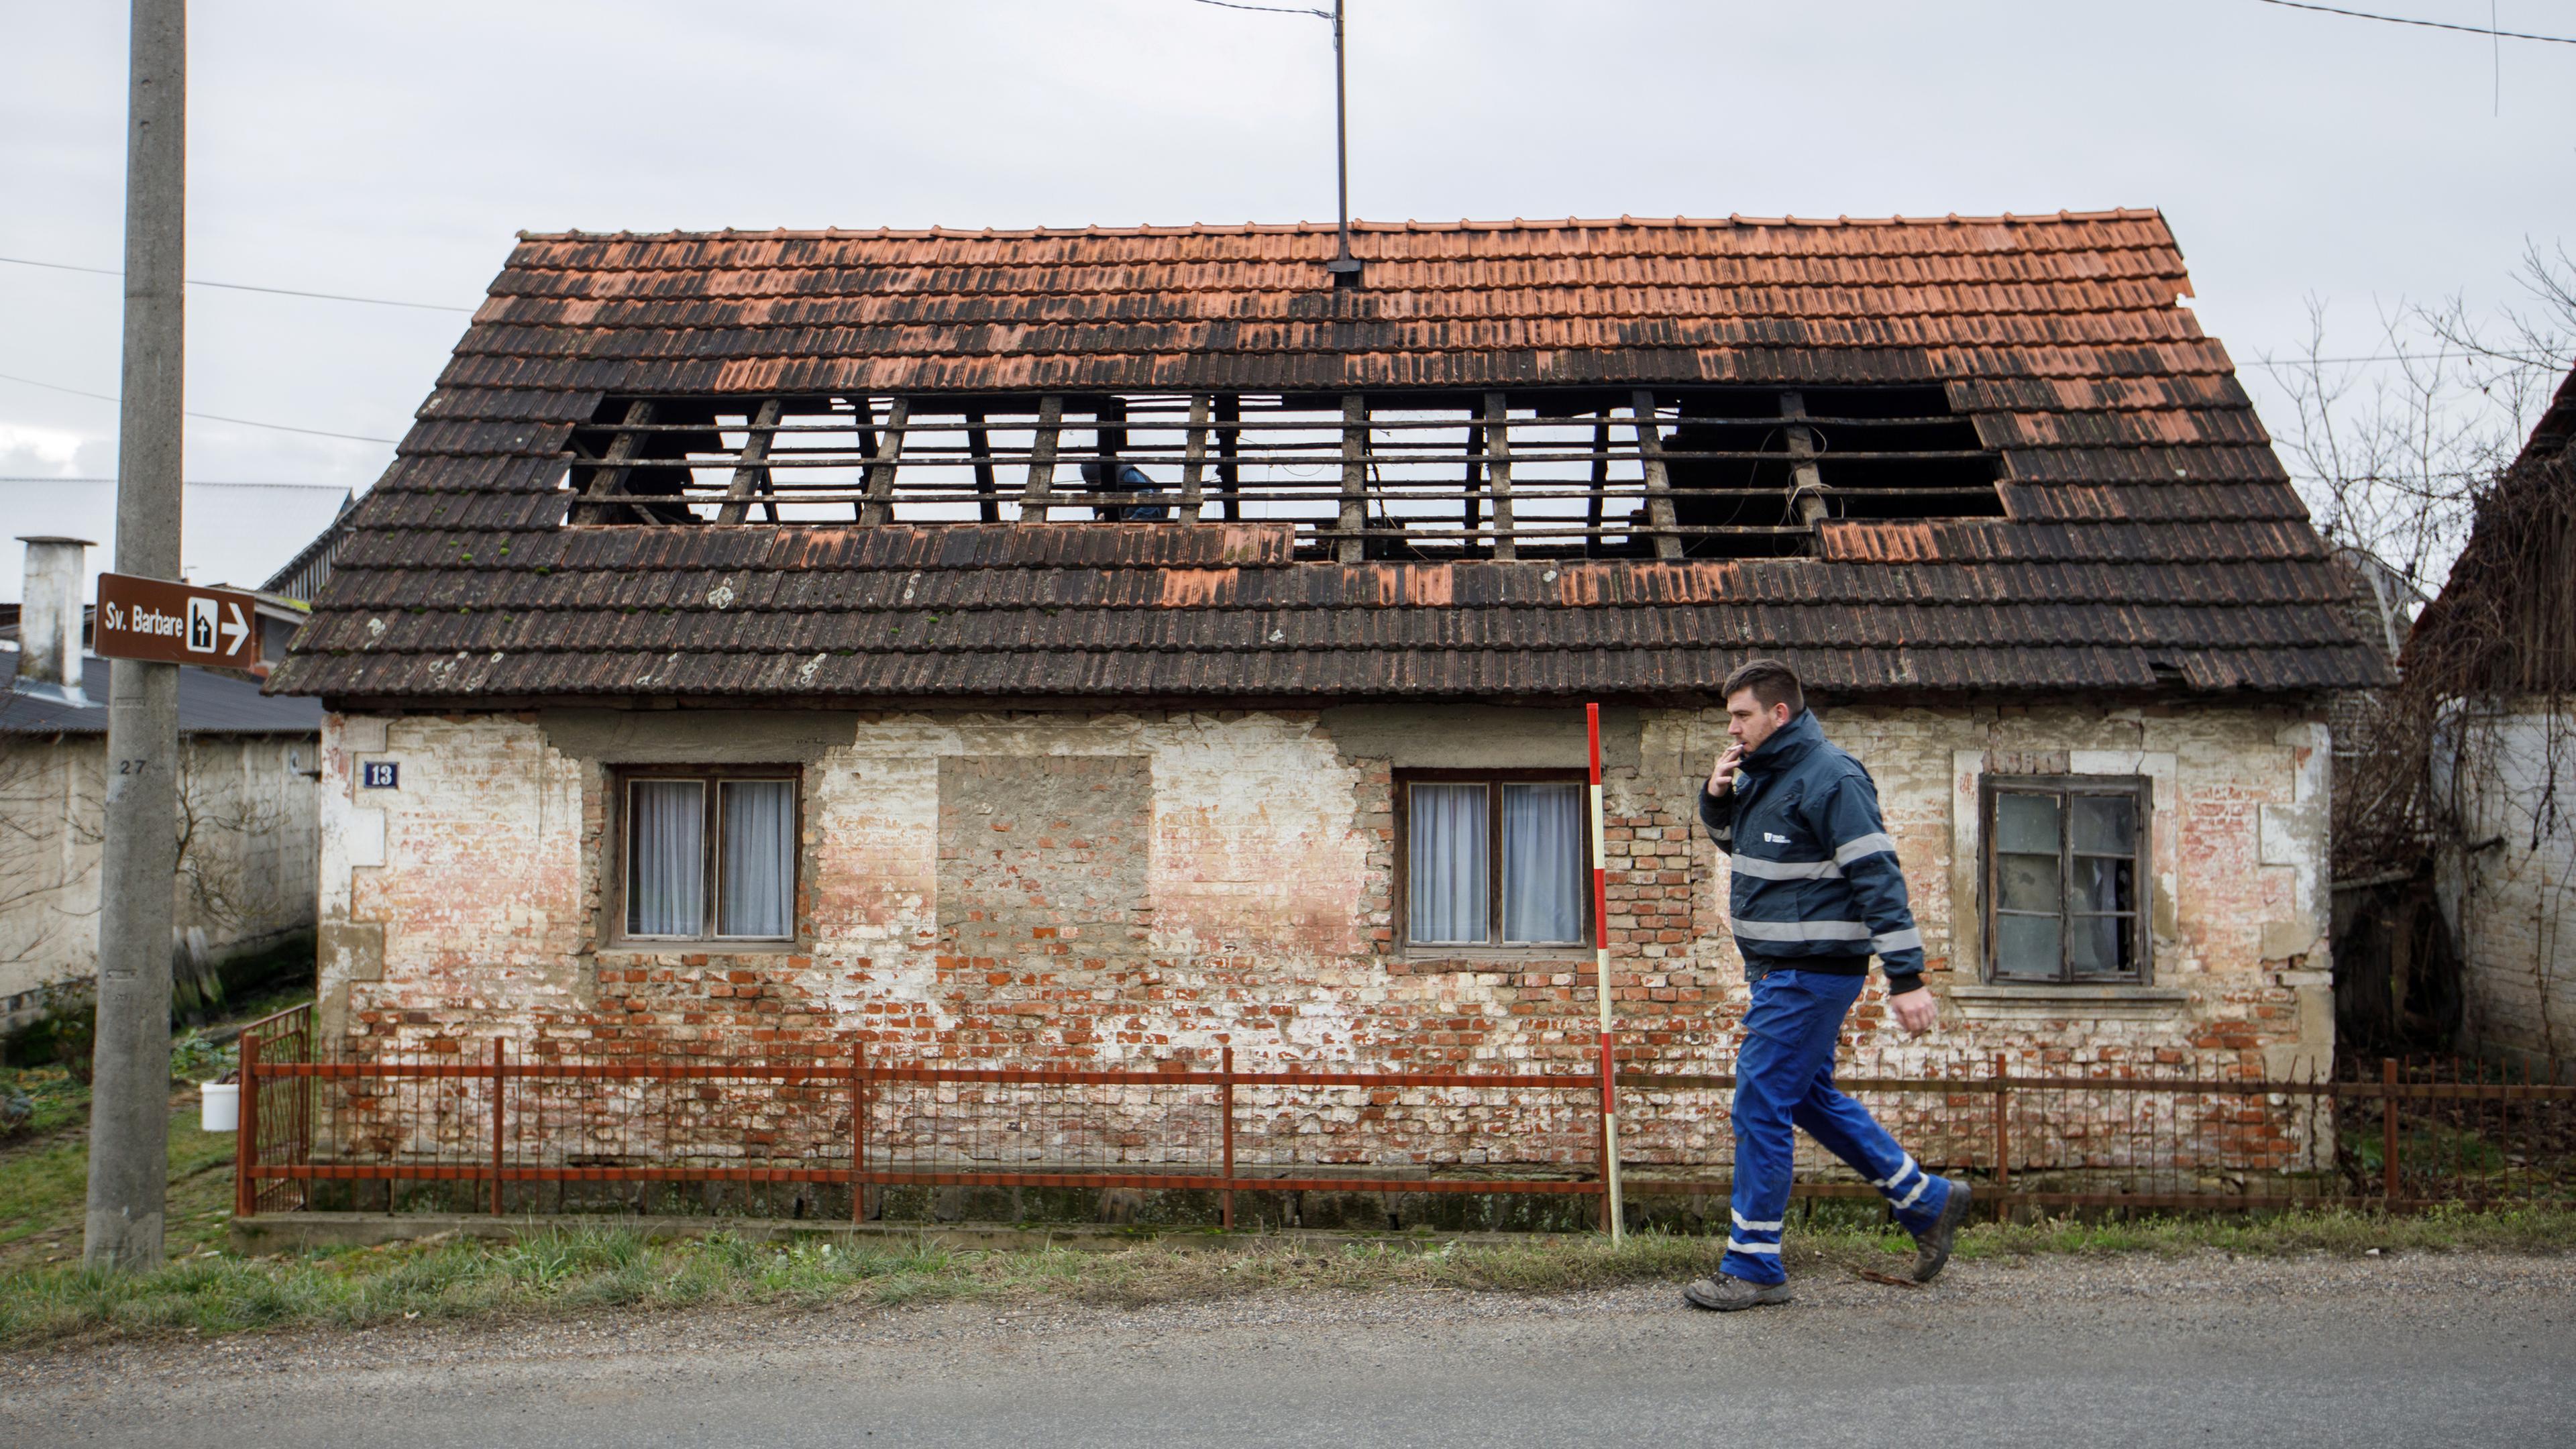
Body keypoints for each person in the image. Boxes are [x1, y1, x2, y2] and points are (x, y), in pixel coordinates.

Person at [1681, 658, 1971, 1311]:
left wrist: (1907, 979)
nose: (1731, 728)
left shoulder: (1832, 777)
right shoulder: (1763, 774)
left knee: (1759, 1102)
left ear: (1778, 714)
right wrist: (1718, 796)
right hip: (1779, 972)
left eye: (1740, 715)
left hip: (1811, 973)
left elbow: (1879, 878)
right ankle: (1926, 1201)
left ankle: (1753, 1264)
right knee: (1805, 1098)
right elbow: (1744, 852)